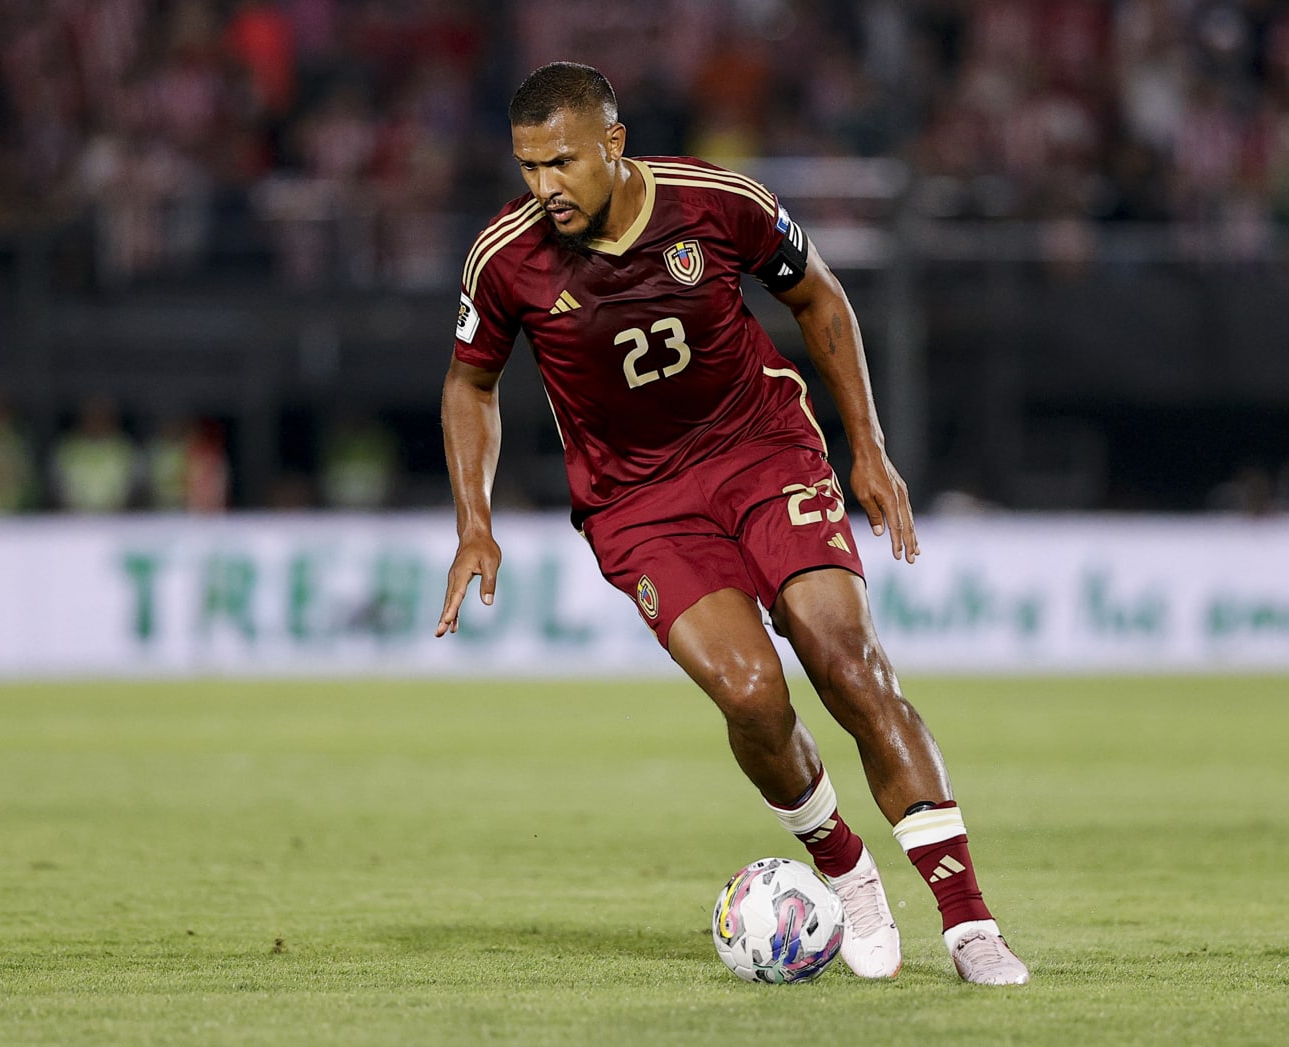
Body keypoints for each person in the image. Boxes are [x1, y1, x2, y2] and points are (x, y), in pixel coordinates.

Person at [436, 63, 1028, 986]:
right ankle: (847, 870)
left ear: (613, 145)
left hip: (763, 453)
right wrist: (475, 519)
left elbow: (819, 296)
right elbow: (470, 382)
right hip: (639, 505)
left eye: (560, 162)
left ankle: (968, 923)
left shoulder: (716, 202)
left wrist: (868, 449)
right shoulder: (505, 258)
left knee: (846, 658)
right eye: (527, 167)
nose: (543, 186)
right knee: (753, 693)